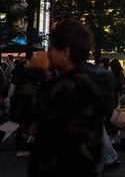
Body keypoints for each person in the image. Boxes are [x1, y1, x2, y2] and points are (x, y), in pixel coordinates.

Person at [12, 20, 117, 176]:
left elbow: (20, 112)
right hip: (88, 165)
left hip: (57, 166)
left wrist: (32, 71)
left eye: (53, 47)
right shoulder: (104, 79)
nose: (49, 53)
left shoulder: (63, 87)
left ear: (66, 51)